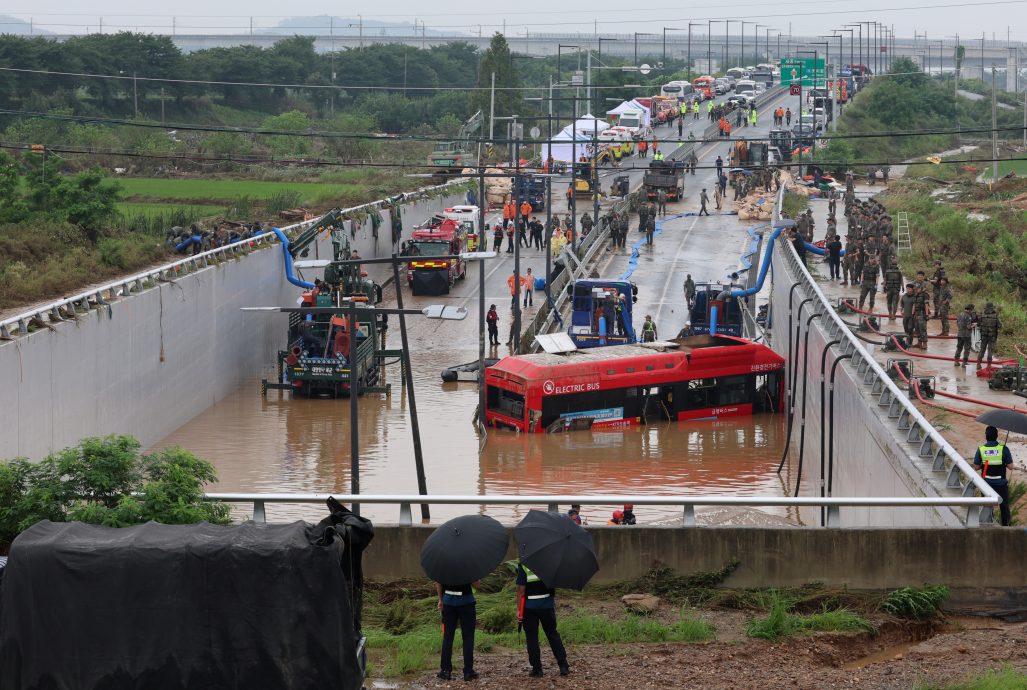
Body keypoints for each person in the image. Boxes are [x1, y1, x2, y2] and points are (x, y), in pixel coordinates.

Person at [516, 561, 570, 678]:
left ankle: (537, 669)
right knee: (552, 634)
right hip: (547, 605)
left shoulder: (524, 564)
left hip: (529, 607)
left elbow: (521, 590)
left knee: (532, 637)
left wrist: (519, 610)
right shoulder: (550, 562)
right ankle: (563, 665)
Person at [436, 579, 480, 681]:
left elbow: (438, 582)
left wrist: (440, 600)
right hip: (467, 602)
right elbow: (477, 585)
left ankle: (445, 671)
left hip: (448, 602)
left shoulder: (443, 564)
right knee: (468, 637)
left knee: (447, 637)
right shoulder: (468, 564)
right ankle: (468, 671)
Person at [973, 425, 1013, 526]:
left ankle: (988, 523)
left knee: (987, 506)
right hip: (1001, 484)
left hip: (986, 484)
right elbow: (1010, 466)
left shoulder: (981, 449)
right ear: (997, 436)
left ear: (986, 436)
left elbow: (976, 467)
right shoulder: (1003, 449)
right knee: (1004, 507)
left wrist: (985, 464)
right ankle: (1006, 526)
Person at [977, 302, 1001, 369]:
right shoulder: (995, 316)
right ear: (992, 308)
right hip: (992, 336)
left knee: (982, 350)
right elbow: (999, 325)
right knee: (990, 350)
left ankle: (978, 364)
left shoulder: (982, 315)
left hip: (984, 336)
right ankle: (989, 365)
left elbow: (978, 324)